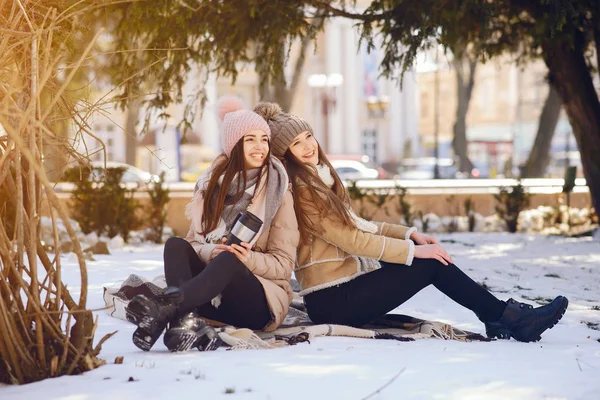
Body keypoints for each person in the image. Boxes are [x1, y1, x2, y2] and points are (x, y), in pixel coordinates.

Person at [253, 102, 568, 343]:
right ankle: (505, 317)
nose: (308, 146)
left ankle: (500, 315)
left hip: (343, 291)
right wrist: (414, 252)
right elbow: (352, 241)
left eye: (308, 136)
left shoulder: (318, 179)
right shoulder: (303, 190)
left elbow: (359, 224)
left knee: (431, 260)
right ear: (286, 154)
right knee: (430, 264)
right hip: (332, 300)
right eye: (297, 143)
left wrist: (411, 234)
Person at [126, 97, 299, 352]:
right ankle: (182, 324)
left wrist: (247, 258)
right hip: (211, 297)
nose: (260, 146)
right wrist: (210, 251)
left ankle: (164, 309)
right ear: (233, 145)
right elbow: (194, 242)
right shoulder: (211, 186)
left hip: (258, 304)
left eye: (264, 139)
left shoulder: (278, 191)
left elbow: (284, 266)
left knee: (231, 260)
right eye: (250, 139)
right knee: (175, 245)